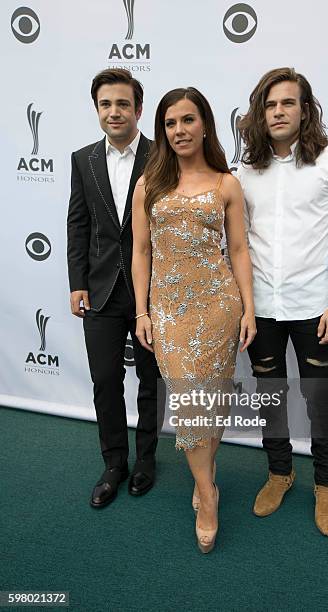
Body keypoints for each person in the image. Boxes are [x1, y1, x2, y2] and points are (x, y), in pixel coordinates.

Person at [238, 67, 328, 536]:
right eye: (270, 105)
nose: (278, 112)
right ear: (258, 113)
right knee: (270, 396)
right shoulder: (245, 169)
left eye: (287, 103)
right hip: (263, 309)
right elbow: (238, 241)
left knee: (320, 400)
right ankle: (279, 473)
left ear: (305, 109)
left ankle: (326, 485)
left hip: (316, 308)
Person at [131, 87, 256, 552]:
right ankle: (207, 494)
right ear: (162, 130)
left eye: (187, 120)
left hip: (219, 307)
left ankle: (205, 473)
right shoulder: (150, 184)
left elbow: (239, 250)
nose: (179, 130)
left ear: (204, 123)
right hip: (169, 312)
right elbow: (140, 251)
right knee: (190, 404)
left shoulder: (226, 184)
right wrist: (142, 310)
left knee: (213, 400)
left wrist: (248, 307)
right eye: (169, 123)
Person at [67, 68, 162, 509]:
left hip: (153, 292)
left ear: (138, 109)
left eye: (123, 103)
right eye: (106, 104)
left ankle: (146, 459)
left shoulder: (163, 156)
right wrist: (76, 284)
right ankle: (114, 463)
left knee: (149, 379)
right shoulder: (82, 159)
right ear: (97, 110)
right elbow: (78, 226)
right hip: (100, 291)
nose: (114, 111)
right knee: (105, 380)